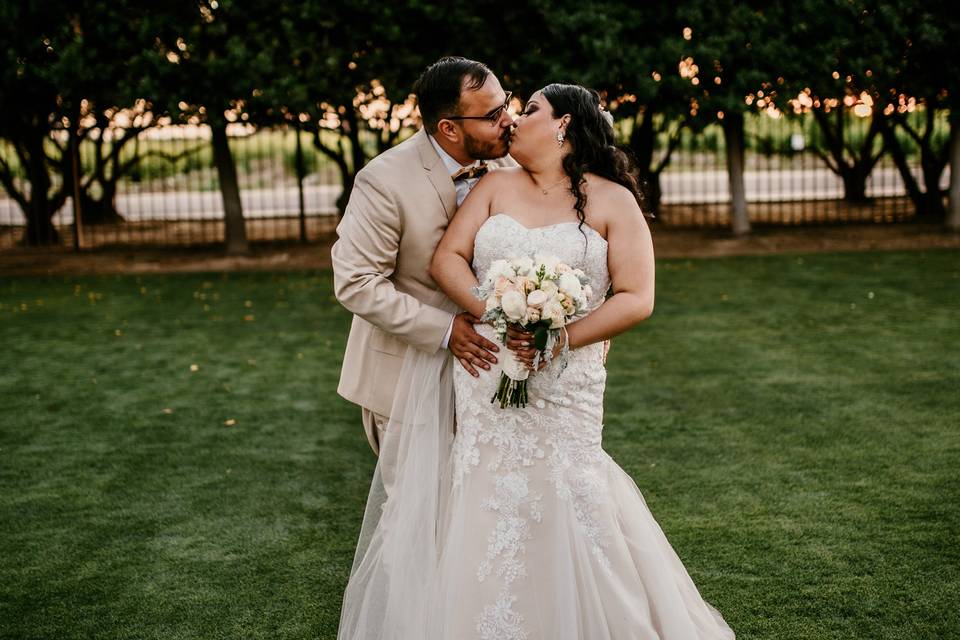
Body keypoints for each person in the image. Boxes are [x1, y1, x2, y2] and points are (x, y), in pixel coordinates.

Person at [337, 83, 736, 639]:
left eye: (526, 111)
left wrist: (559, 338)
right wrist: (498, 315)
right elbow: (446, 258)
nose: (511, 121)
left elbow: (636, 297)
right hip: (488, 373)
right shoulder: (495, 185)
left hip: (565, 384)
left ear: (564, 125)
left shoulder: (614, 200)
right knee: (481, 501)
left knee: (571, 492)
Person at [331, 56, 515, 494]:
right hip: (407, 379)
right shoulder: (383, 180)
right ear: (449, 128)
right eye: (492, 115)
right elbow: (356, 282)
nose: (508, 120)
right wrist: (446, 330)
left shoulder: (510, 168)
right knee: (419, 518)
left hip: (493, 379)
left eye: (505, 104)